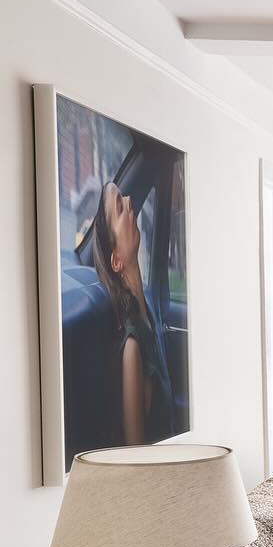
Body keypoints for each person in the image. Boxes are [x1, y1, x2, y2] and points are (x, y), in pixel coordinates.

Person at [91, 181, 174, 445]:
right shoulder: (132, 348)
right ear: (116, 260)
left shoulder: (147, 311)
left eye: (123, 196)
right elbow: (136, 455)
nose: (128, 201)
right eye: (118, 206)